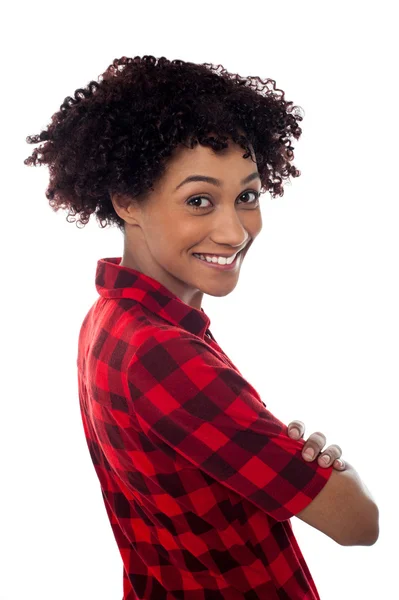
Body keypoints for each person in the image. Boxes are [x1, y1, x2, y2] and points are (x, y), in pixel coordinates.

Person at [24, 55, 379, 600]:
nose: (234, 230)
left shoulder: (109, 319)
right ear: (126, 202)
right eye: (199, 200)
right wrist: (338, 470)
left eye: (247, 197)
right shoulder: (165, 356)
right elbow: (359, 523)